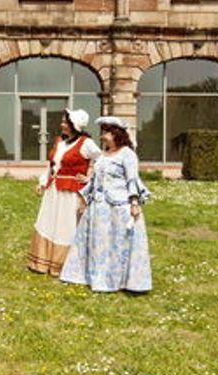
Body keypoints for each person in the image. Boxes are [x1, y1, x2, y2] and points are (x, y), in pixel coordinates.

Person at [59, 116, 152, 293]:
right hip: (99, 207)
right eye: (102, 132)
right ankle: (97, 277)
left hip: (119, 206)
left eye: (106, 132)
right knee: (99, 244)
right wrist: (84, 198)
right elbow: (95, 179)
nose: (102, 136)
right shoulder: (103, 155)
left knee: (118, 244)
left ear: (116, 134)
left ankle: (119, 280)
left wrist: (134, 203)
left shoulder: (127, 155)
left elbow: (132, 179)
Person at [28, 108, 101, 276]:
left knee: (65, 225)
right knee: (48, 221)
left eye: (65, 122)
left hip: (70, 192)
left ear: (74, 125)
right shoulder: (59, 141)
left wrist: (89, 177)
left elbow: (102, 161)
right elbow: (52, 165)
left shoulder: (86, 143)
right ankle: (42, 262)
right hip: (54, 190)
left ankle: (63, 265)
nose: (61, 124)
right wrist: (43, 182)